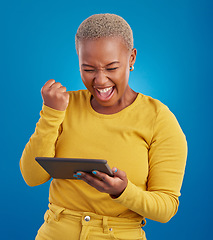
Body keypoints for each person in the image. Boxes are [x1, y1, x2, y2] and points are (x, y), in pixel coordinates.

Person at [20, 13, 187, 240]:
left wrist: (123, 192)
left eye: (111, 68)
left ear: (131, 59)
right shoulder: (63, 105)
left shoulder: (159, 119)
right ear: (78, 59)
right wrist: (51, 113)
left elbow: (166, 207)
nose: (100, 81)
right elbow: (32, 177)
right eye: (88, 69)